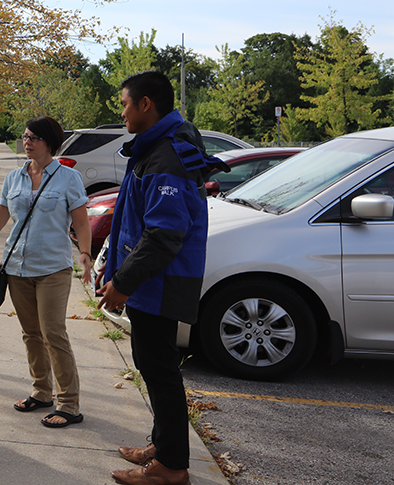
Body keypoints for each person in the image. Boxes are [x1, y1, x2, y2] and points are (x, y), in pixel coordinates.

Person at [98, 71, 223, 485]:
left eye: (124, 103)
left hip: (161, 281)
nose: (122, 112)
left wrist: (124, 282)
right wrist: (114, 269)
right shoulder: (156, 149)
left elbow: (165, 235)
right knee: (152, 365)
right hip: (152, 281)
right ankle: (163, 443)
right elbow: (139, 225)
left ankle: (170, 467)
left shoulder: (167, 156)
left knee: (160, 369)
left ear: (145, 104)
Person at [0, 116, 92, 428]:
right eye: (25, 136)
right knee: (31, 334)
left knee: (53, 332)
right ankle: (42, 392)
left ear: (49, 142)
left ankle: (69, 403)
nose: (27, 141)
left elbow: (81, 222)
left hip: (53, 269)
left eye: (34, 137)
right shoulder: (14, 178)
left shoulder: (68, 178)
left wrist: (84, 253)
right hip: (16, 267)